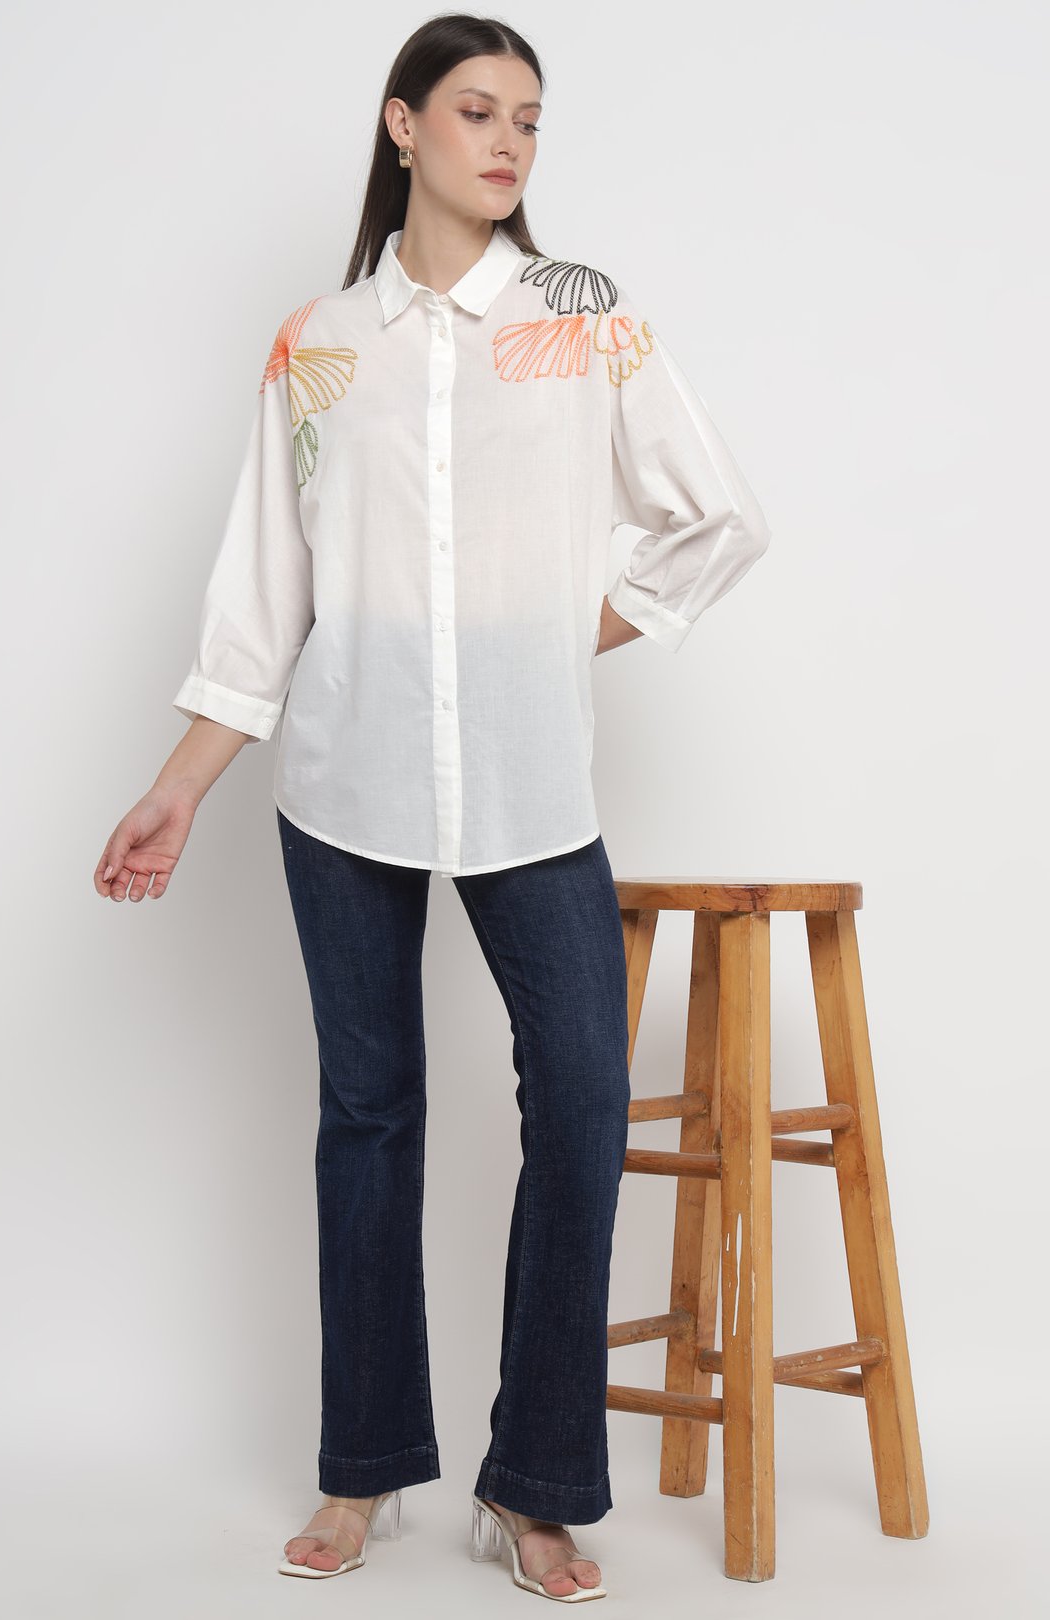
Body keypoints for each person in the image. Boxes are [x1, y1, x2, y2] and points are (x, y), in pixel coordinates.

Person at [93, 12, 771, 1602]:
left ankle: (535, 1485)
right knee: (370, 1114)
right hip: (345, 784)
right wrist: (178, 790)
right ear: (403, 126)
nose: (509, 141)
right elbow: (265, 596)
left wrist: (555, 633)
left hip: (532, 786)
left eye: (529, 117)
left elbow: (719, 518)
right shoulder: (320, 344)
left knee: (582, 1103)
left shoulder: (583, 317)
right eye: (477, 111)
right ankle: (363, 1471)